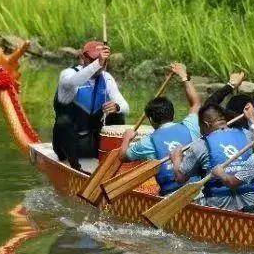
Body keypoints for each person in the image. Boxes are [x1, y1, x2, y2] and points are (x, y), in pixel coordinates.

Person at [119, 63, 201, 196]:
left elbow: (123, 157)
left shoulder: (148, 142)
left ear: (150, 120)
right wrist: (183, 77)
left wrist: (127, 138)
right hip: (199, 192)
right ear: (173, 115)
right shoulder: (190, 126)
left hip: (170, 196)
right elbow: (196, 103)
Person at [52, 40, 130, 171]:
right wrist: (97, 63)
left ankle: (113, 164)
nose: (99, 65)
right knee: (63, 121)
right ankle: (75, 168)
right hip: (66, 146)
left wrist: (117, 106)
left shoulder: (107, 78)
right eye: (94, 60)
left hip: (91, 144)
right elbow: (73, 82)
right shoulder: (68, 74)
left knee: (118, 117)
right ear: (83, 58)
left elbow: (125, 107)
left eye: (102, 61)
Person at [170, 103, 254, 212]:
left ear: (206, 124)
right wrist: (252, 119)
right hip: (252, 206)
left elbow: (180, 179)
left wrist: (176, 159)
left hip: (220, 210)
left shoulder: (200, 145)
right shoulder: (246, 135)